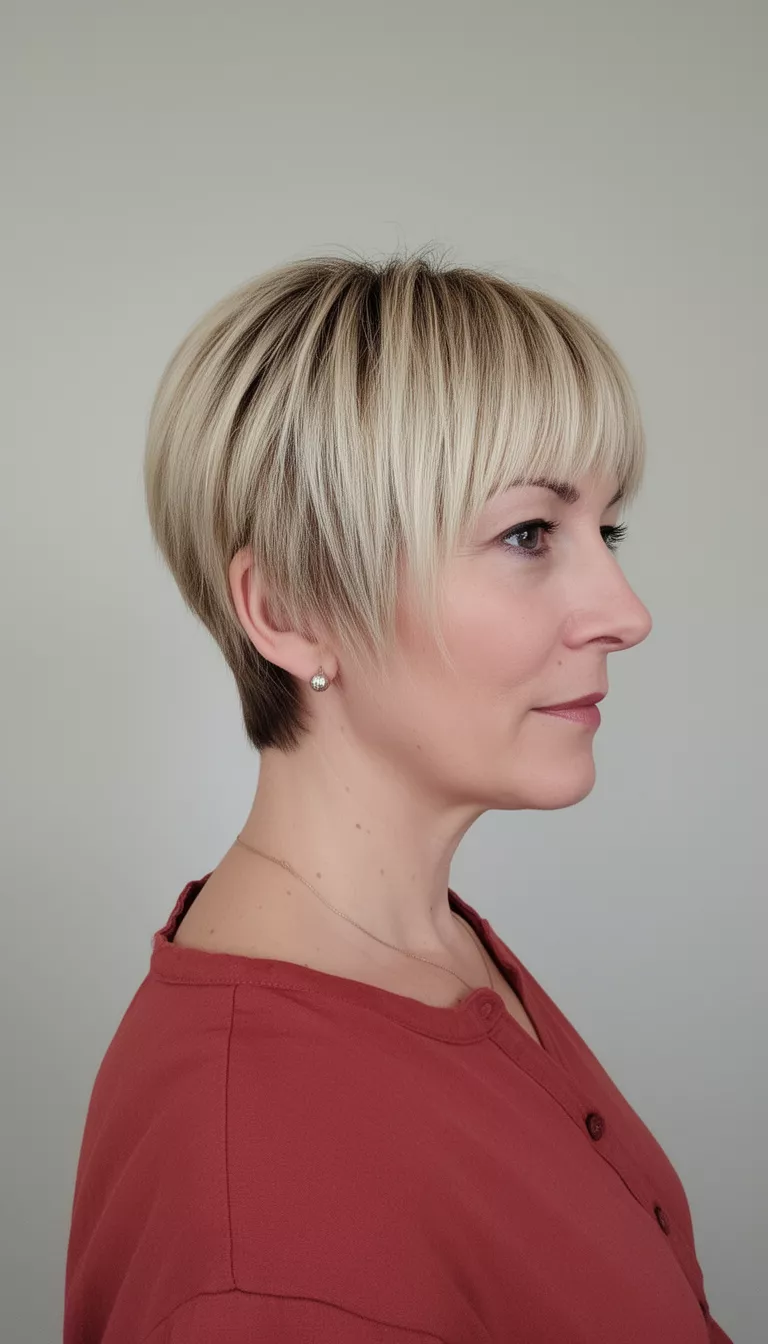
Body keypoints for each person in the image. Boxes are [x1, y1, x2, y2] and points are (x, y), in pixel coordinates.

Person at [63, 251, 732, 1343]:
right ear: (287, 610)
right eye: (529, 535)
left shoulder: (425, 951)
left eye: (605, 533)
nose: (624, 610)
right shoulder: (266, 1225)